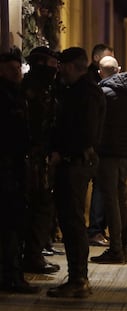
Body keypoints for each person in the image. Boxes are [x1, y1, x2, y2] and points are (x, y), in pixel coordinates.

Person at [47, 47, 105, 298]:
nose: (59, 70)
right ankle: (77, 278)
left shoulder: (85, 93)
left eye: (62, 66)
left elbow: (85, 133)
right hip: (75, 162)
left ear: (72, 66)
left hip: (75, 164)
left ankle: (78, 279)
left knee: (73, 223)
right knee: (72, 222)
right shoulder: (79, 90)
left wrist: (62, 152)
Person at [90, 56, 127, 264]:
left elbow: (96, 124)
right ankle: (124, 248)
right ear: (118, 69)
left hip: (108, 154)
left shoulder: (103, 94)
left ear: (100, 72)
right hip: (124, 154)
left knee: (111, 202)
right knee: (121, 201)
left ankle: (116, 250)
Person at [0, 51, 40, 294]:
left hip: (15, 167)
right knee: (11, 224)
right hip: (7, 169)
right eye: (12, 68)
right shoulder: (8, 97)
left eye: (19, 68)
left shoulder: (19, 95)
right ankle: (12, 276)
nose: (17, 72)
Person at [21, 46, 62, 275]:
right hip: (34, 159)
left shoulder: (40, 88)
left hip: (38, 157)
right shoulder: (35, 90)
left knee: (41, 207)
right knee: (39, 207)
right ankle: (32, 256)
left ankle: (32, 254)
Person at [87, 43, 114, 247]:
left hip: (100, 143)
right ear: (97, 59)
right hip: (95, 144)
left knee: (101, 187)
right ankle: (95, 230)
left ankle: (97, 229)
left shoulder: (99, 84)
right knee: (99, 188)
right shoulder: (93, 84)